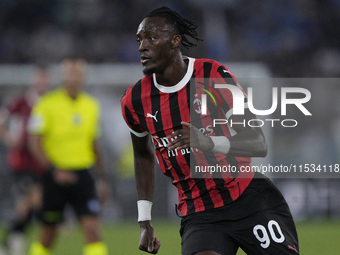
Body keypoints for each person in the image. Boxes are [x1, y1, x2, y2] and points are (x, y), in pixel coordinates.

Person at [121, 6, 299, 255]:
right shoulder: (135, 100)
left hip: (249, 199)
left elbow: (257, 142)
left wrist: (208, 142)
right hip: (200, 214)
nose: (142, 46)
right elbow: (142, 155)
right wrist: (145, 221)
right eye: (139, 39)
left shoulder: (214, 75)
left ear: (175, 41)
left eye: (151, 38)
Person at [27, 57, 109, 255]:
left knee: (92, 229)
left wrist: (102, 178)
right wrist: (54, 170)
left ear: (83, 76)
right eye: (69, 73)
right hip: (55, 175)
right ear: (63, 76)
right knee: (48, 233)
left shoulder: (91, 105)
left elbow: (94, 143)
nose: (73, 77)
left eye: (77, 73)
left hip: (83, 175)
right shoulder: (46, 104)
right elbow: (34, 143)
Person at [0, 65, 50, 255]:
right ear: (34, 80)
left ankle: (11, 241)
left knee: (26, 206)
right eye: (39, 79)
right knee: (35, 201)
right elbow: (2, 121)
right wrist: (9, 140)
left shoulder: (49, 103)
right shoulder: (20, 102)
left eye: (45, 80)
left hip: (40, 162)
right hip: (21, 162)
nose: (42, 83)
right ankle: (13, 242)